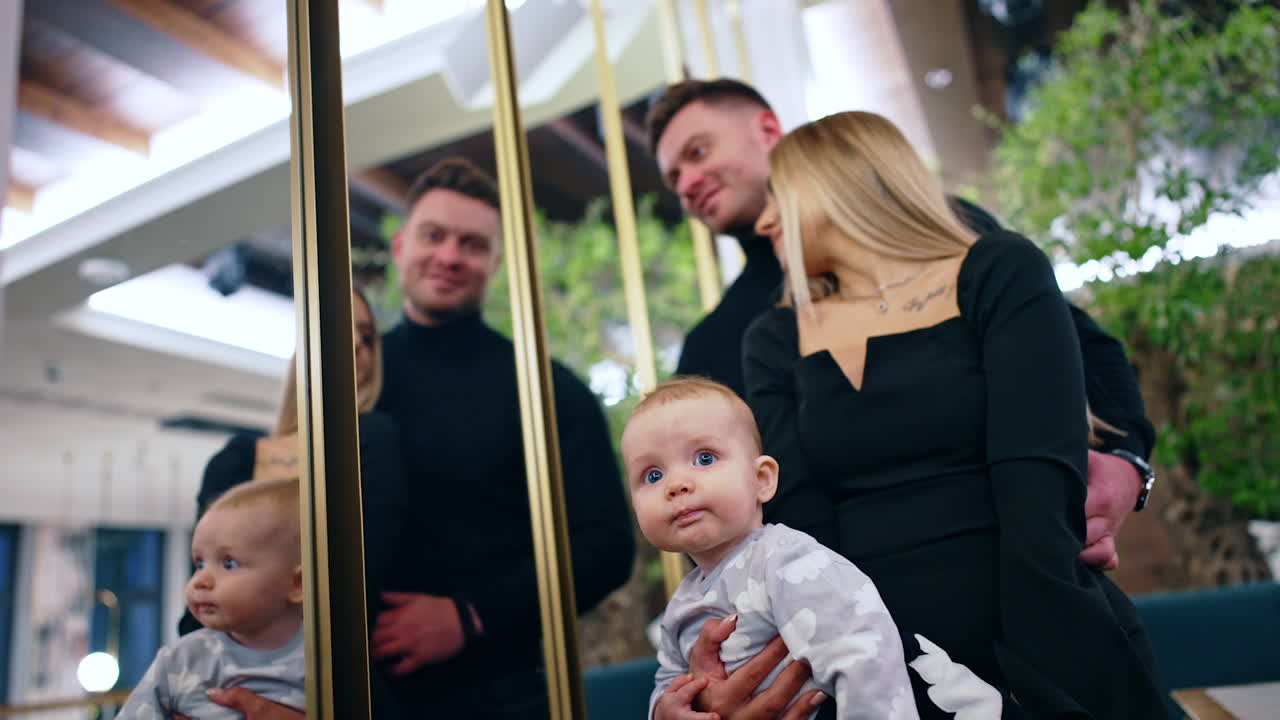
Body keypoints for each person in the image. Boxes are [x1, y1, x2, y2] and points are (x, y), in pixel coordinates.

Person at [741, 110, 1166, 718]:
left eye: (777, 197)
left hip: (1033, 628)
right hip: (869, 665)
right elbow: (802, 533)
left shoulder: (997, 270)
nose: (764, 221)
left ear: (833, 184)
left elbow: (1037, 492)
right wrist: (866, 670)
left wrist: (1045, 674)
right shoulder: (774, 336)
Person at [646, 78, 1155, 572]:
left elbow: (1082, 347)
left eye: (697, 152)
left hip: (1021, 562)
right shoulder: (716, 342)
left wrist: (1128, 462)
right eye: (672, 179)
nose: (687, 185)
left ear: (767, 129)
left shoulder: (939, 238)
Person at [373, 157, 634, 718]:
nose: (448, 256)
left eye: (470, 244)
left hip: (501, 692)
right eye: (433, 236)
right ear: (400, 248)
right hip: (353, 690)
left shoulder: (548, 389)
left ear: (494, 263)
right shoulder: (348, 385)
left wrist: (470, 616)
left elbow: (607, 549)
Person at [627, 377, 997, 720]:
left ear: (761, 480)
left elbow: (864, 654)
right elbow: (670, 678)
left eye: (704, 458)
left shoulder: (787, 559)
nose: (676, 484)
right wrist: (665, 709)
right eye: (653, 475)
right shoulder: (682, 603)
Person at [183, 288, 409, 719]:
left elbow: (358, 580)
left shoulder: (373, 438)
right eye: (342, 332)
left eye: (367, 337)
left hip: (327, 682)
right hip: (220, 682)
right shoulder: (237, 458)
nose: (359, 346)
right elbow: (197, 593)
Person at [120, 478, 305, 720]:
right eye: (199, 563)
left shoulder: (326, 660)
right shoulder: (180, 660)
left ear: (296, 584)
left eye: (229, 563)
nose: (200, 580)